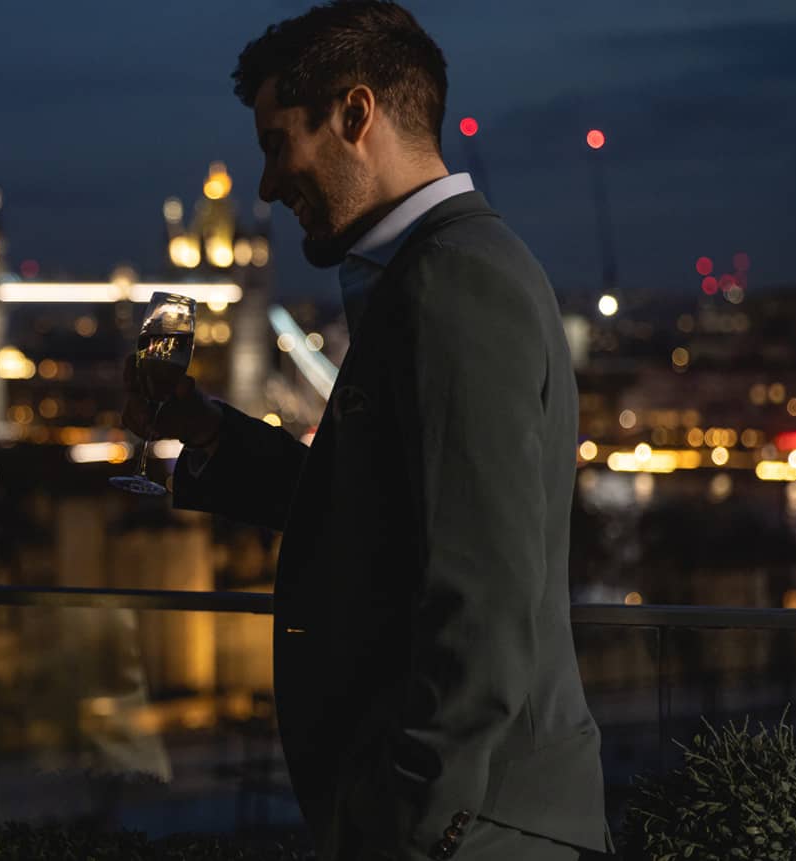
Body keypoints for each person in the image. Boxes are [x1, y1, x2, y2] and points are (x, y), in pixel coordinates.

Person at [123, 2, 615, 858]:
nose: (269, 186)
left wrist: (412, 821)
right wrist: (208, 432)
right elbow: (377, 505)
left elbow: (482, 601)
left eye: (279, 144)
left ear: (356, 115)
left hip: (477, 833)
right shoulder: (434, 271)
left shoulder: (452, 285)